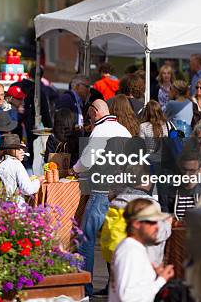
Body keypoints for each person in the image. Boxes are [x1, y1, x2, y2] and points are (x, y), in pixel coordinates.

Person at [74, 99, 131, 296]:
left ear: (96, 112)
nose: (90, 121)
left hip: (101, 190)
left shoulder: (100, 131)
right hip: (122, 191)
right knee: (113, 240)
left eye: (90, 116)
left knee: (86, 239)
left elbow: (87, 161)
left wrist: (74, 170)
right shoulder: (124, 130)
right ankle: (113, 287)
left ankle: (85, 288)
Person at [109, 198, 174, 302]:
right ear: (136, 223)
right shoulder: (130, 250)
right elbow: (128, 297)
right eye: (152, 222)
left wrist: (154, 276)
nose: (157, 227)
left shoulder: (133, 248)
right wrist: (161, 280)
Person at [0, 134, 40, 204]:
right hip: (14, 207)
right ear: (14, 150)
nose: (21, 151)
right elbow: (27, 189)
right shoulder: (16, 164)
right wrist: (38, 181)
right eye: (18, 148)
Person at [160, 147, 201, 219]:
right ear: (179, 167)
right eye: (184, 169)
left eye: (192, 170)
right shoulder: (167, 193)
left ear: (200, 170)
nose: (186, 175)